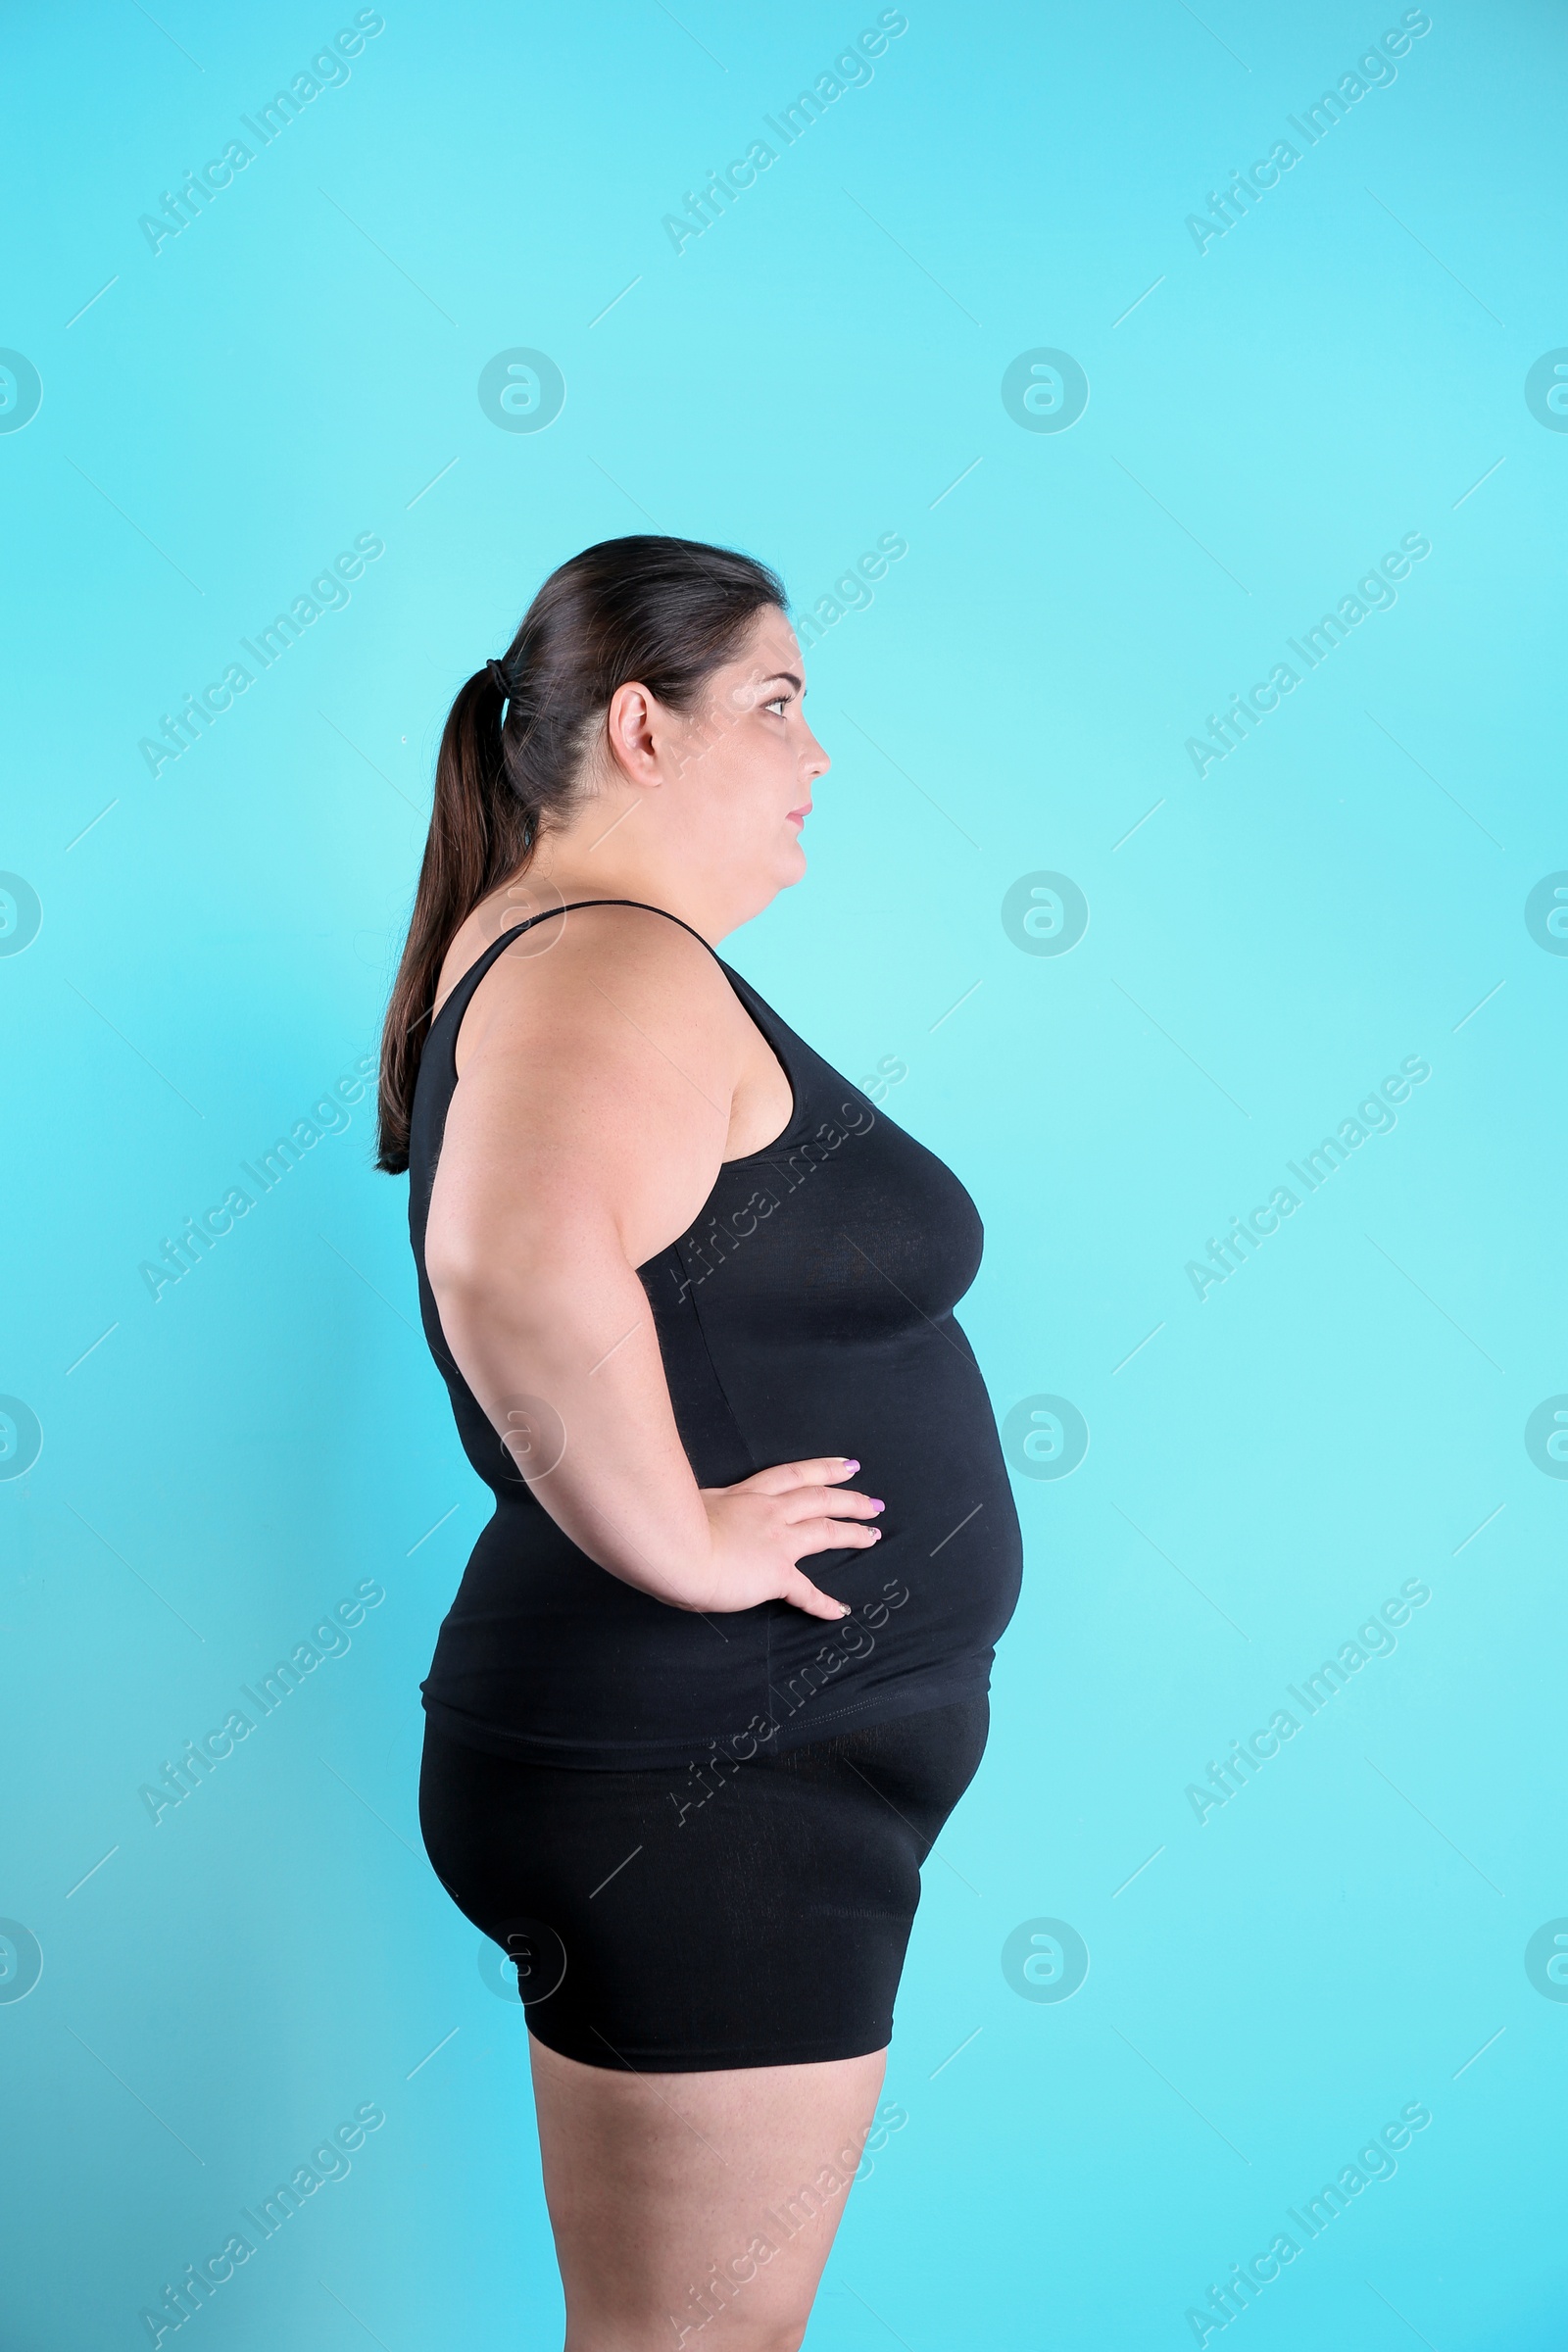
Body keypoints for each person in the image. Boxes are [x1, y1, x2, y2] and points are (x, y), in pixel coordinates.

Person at [376, 535, 1022, 2349]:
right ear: (643, 730)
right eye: (780, 703)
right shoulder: (606, 957)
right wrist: (686, 1541)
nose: (819, 756)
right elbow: (505, 1256)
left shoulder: (573, 949)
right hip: (715, 1769)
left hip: (735, 1768)